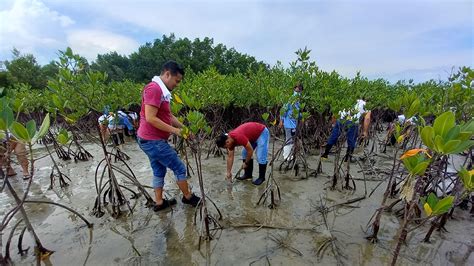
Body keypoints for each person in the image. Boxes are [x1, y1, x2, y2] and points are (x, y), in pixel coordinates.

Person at [137, 60, 200, 212]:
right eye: (176, 81)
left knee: (159, 170)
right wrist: (176, 131)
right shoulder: (154, 89)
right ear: (167, 74)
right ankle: (188, 197)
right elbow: (151, 118)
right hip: (153, 141)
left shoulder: (162, 91)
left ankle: (159, 203)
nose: (177, 84)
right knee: (179, 167)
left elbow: (169, 116)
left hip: (149, 140)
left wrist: (184, 129)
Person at [279, 83, 303, 160]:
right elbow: (283, 110)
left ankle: (290, 155)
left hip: (294, 125)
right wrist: (281, 121)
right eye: (297, 90)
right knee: (288, 139)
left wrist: (303, 116)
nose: (298, 92)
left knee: (292, 140)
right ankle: (286, 156)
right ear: (294, 89)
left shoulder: (298, 101)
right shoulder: (290, 99)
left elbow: (297, 113)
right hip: (288, 124)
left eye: (300, 90)